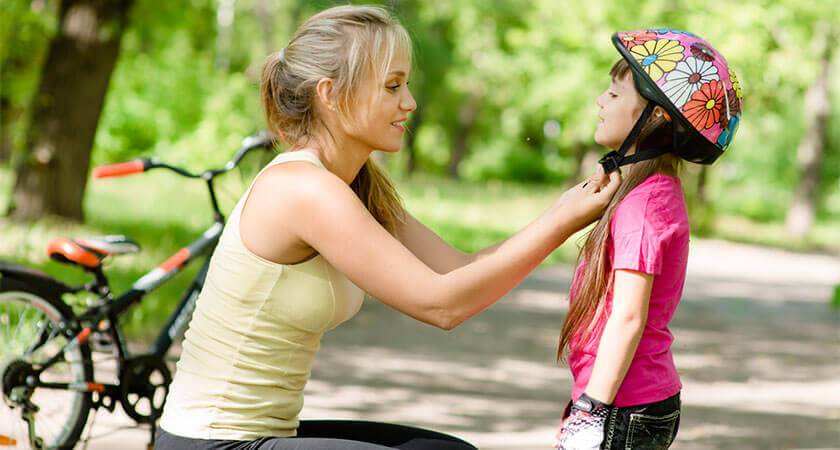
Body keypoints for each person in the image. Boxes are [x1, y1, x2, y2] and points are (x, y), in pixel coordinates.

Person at [155, 5, 620, 450]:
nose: (409, 102)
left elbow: (456, 270)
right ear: (330, 95)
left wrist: (563, 210)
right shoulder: (303, 189)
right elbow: (442, 306)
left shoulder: (354, 183)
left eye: (406, 84)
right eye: (392, 86)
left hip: (264, 432)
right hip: (214, 441)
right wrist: (561, 223)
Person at [554, 29, 742, 450]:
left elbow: (628, 318)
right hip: (624, 399)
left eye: (613, 94)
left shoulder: (644, 206)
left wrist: (590, 410)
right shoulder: (650, 192)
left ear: (656, 117)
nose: (600, 101)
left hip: (622, 405)